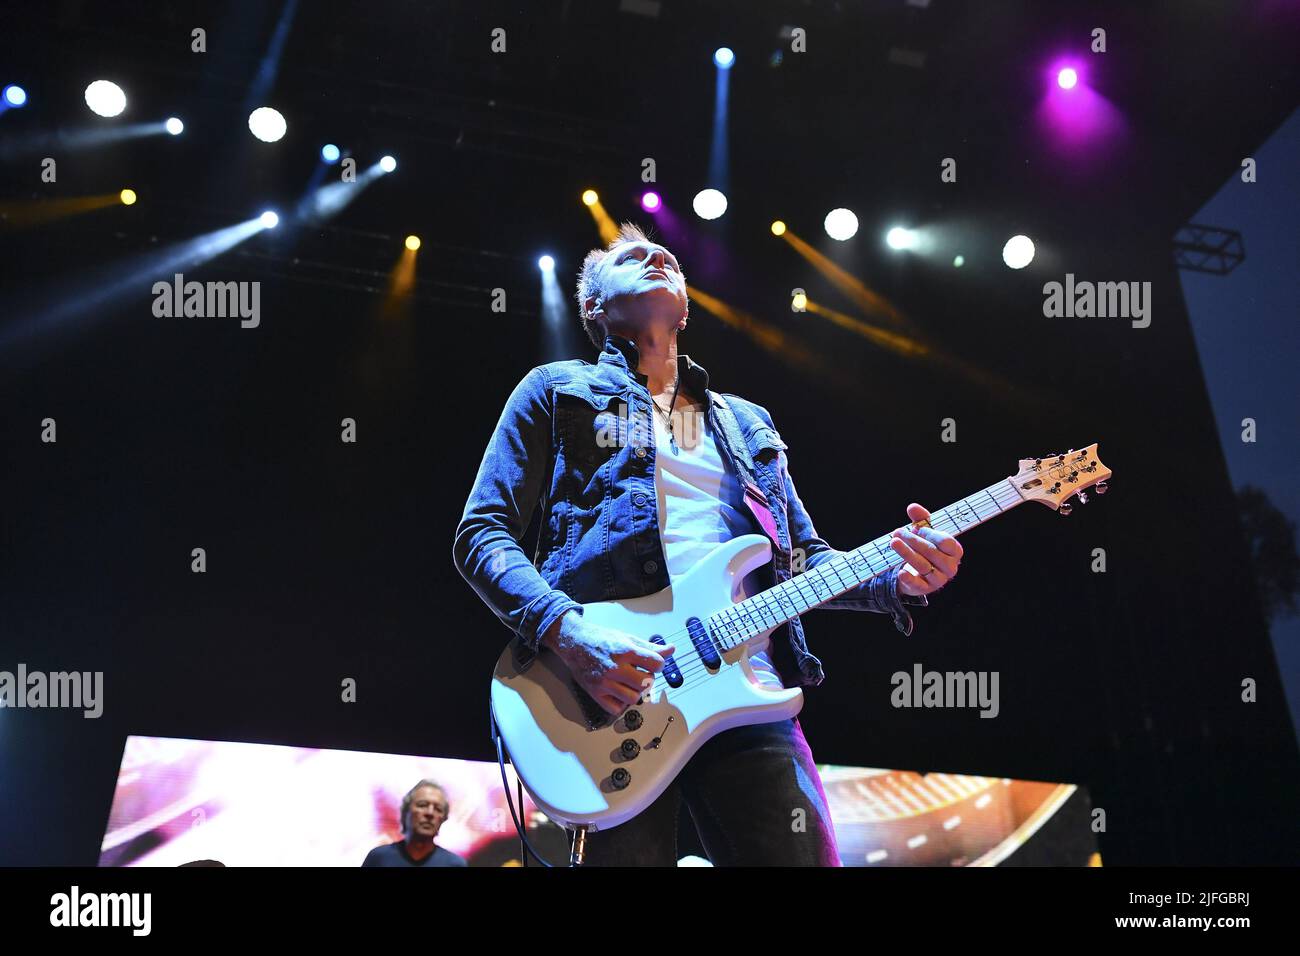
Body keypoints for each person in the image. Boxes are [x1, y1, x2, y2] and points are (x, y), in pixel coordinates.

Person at [453, 223, 963, 865]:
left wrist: (899, 577)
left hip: (748, 694)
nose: (657, 255)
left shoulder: (745, 422)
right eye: (630, 257)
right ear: (592, 307)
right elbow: (482, 535)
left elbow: (800, 561)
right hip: (611, 694)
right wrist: (570, 636)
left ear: (688, 306)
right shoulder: (557, 391)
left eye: (662, 253)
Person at [361, 780, 468, 867]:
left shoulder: (454, 864)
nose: (430, 813)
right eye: (422, 805)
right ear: (406, 811)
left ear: (443, 818)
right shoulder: (379, 858)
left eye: (438, 809)